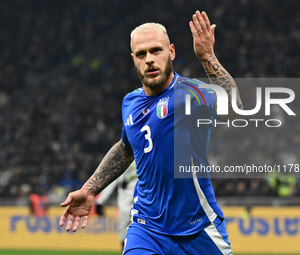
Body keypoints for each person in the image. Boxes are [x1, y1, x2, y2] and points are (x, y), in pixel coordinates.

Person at [59, 11, 242, 255]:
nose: (149, 59)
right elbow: (126, 148)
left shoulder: (192, 93)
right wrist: (90, 188)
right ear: (133, 59)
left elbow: (234, 110)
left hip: (199, 229)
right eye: (142, 54)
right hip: (147, 229)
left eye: (156, 50)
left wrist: (208, 57)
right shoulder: (130, 102)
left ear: (172, 52)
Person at [95, 161, 137, 250]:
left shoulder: (145, 156)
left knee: (127, 233)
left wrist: (100, 202)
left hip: (138, 203)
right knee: (124, 233)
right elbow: (112, 181)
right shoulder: (123, 159)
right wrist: (100, 201)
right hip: (129, 203)